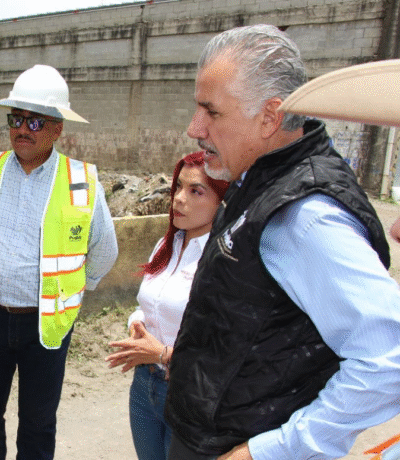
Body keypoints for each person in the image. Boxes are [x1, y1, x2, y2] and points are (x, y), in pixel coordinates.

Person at [164, 24, 400, 460]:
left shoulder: (306, 216)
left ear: (270, 117)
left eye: (211, 112)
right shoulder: (258, 180)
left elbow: (388, 358)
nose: (195, 128)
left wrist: (270, 450)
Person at [0, 64, 118, 460]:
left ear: (57, 129)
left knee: (37, 424)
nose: (22, 129)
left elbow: (104, 250)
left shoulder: (81, 181)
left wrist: (73, 290)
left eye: (34, 122)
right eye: (16, 119)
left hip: (45, 324)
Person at [105, 152, 229, 460]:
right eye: (178, 187)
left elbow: (227, 347)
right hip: (145, 384)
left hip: (190, 394)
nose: (178, 198)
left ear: (221, 202)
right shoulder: (167, 245)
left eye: (195, 191)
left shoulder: (224, 260)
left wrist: (163, 354)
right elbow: (148, 305)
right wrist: (137, 326)